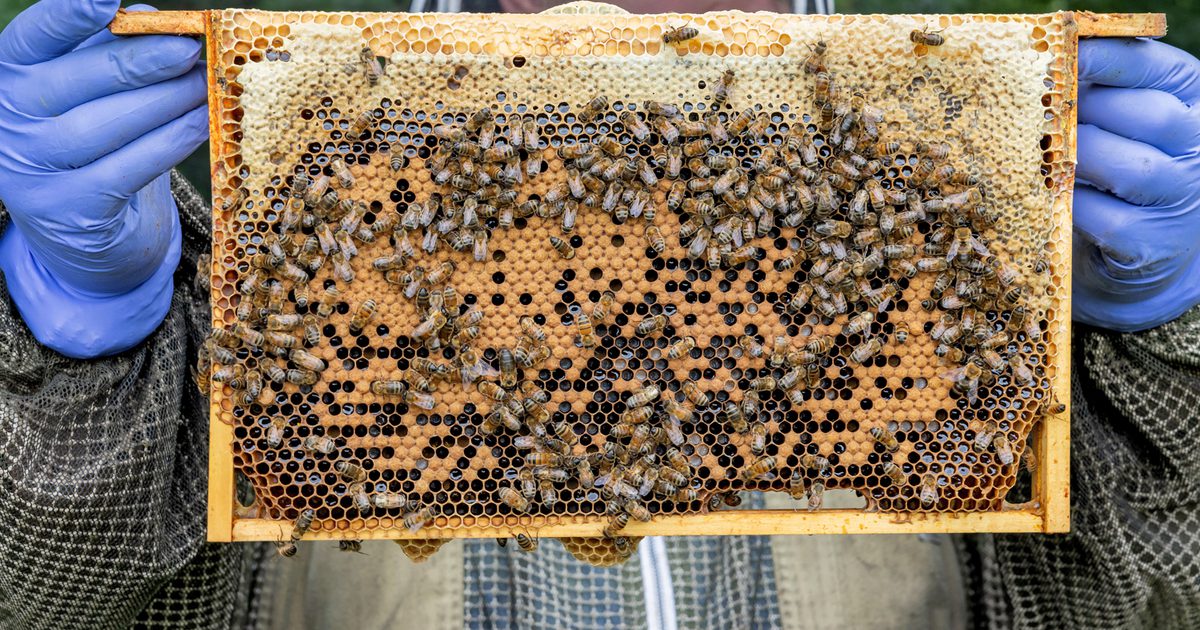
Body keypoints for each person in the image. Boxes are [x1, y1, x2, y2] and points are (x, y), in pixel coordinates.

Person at [0, 0, 1196, 628]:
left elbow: (1151, 593)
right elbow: (61, 592)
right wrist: (79, 340)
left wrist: (1152, 352)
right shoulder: (314, 204)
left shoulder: (959, 219)